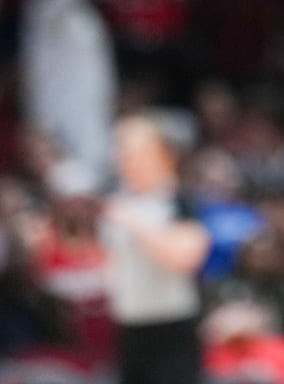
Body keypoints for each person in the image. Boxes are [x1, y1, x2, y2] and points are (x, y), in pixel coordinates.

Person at [102, 114, 212, 384]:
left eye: (137, 151)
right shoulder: (115, 199)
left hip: (171, 329)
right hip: (128, 328)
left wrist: (134, 224)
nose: (127, 158)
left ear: (164, 154)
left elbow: (187, 257)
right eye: (122, 149)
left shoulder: (180, 201)